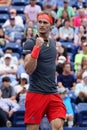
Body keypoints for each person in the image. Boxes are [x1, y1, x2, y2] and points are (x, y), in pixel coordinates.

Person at [23, 11, 66, 130]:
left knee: (58, 127)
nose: (41, 25)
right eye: (40, 22)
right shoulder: (30, 43)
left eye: (45, 22)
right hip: (36, 93)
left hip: (52, 92)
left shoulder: (53, 43)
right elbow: (28, 69)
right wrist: (36, 48)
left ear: (51, 26)